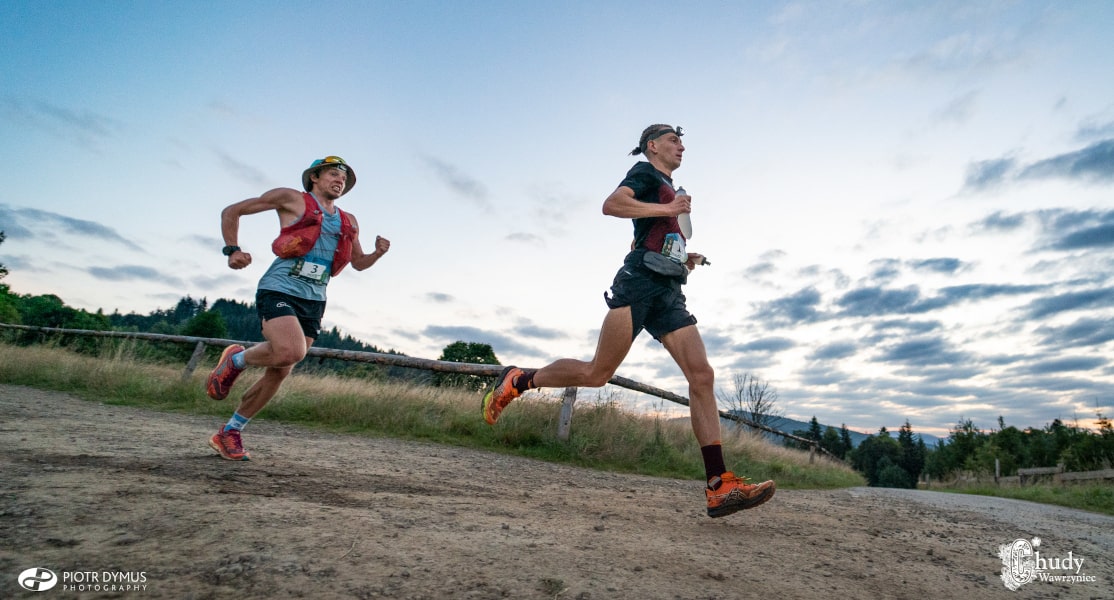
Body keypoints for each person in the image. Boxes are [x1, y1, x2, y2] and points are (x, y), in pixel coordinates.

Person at [482, 125, 775, 518]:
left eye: (682, 141)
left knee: (702, 376)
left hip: (668, 290)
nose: (681, 146)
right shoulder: (644, 173)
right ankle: (518, 380)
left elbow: (649, 235)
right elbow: (612, 205)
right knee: (596, 373)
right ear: (652, 146)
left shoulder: (669, 187)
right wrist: (669, 209)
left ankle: (718, 484)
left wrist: (683, 256)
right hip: (639, 284)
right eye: (673, 140)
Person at [205, 156, 390, 461]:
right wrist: (232, 250)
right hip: (280, 287)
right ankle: (236, 361)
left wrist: (377, 254)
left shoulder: (349, 220)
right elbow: (232, 210)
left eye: (343, 179)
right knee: (292, 351)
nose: (339, 181)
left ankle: (230, 431)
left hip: (315, 299)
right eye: (333, 174)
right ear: (314, 177)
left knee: (281, 369)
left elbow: (358, 264)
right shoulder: (291, 199)